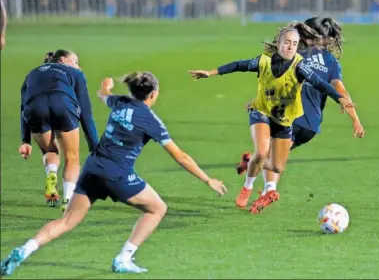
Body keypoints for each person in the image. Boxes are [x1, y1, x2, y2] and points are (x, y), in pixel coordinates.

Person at [1, 72, 228, 276]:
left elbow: (103, 95)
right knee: (157, 208)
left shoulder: (119, 102)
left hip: (92, 168)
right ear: (153, 94)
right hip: (116, 174)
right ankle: (123, 258)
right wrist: (208, 179)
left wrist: (106, 85)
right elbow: (181, 156)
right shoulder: (151, 121)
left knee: (67, 221)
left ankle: (25, 249)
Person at [188, 26, 353, 211]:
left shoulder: (300, 66)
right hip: (261, 113)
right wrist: (211, 73)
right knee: (261, 152)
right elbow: (238, 65)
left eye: (295, 44)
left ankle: (249, 161)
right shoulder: (263, 61)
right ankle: (247, 188)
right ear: (279, 44)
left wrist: (340, 99)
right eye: (287, 42)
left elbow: (320, 84)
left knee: (277, 166)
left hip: (283, 121)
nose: (290, 47)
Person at [235, 17, 364, 213]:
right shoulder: (331, 62)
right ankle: (268, 189)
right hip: (310, 126)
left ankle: (256, 171)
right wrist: (355, 119)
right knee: (274, 156)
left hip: (287, 115)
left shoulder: (295, 54)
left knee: (269, 153)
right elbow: (341, 91)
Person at [19, 50, 99, 211]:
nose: (79, 66)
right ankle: (68, 199)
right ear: (63, 60)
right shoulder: (75, 74)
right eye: (76, 62)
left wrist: (25, 140)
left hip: (34, 109)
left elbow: (23, 107)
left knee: (50, 151)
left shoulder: (31, 74)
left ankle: (51, 174)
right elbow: (86, 112)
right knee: (72, 157)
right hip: (62, 103)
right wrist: (95, 146)